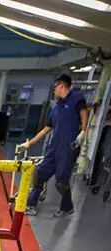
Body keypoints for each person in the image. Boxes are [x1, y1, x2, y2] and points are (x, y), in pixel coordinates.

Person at [22, 73, 88, 218]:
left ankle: (67, 208)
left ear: (62, 85)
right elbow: (46, 129)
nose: (54, 90)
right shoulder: (56, 107)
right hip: (54, 147)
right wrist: (29, 144)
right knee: (39, 174)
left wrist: (83, 131)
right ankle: (31, 205)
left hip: (68, 148)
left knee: (61, 182)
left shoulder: (76, 97)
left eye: (55, 87)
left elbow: (84, 112)